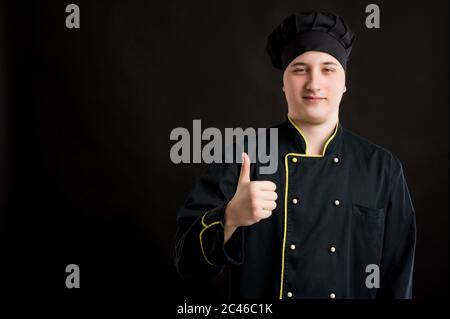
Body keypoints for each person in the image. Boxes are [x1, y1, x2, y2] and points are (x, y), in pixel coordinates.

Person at [174, 11, 416, 299]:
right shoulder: (243, 156)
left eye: (328, 69)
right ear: (283, 82)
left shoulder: (382, 169)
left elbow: (397, 280)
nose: (314, 84)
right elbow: (185, 262)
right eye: (300, 69)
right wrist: (229, 218)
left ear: (345, 82)